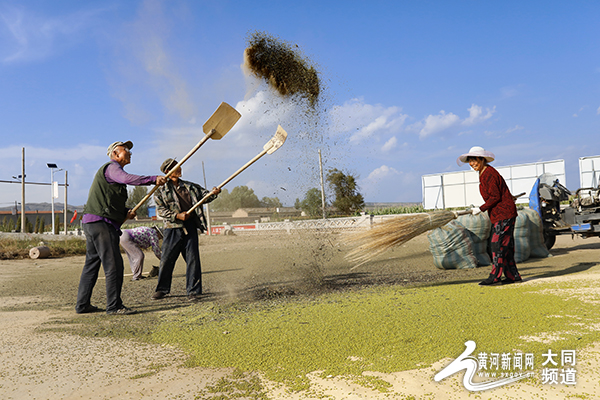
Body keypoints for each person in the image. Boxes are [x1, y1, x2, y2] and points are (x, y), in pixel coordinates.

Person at [75, 141, 166, 315]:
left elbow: (109, 201)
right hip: (101, 224)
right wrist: (153, 179)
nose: (130, 152)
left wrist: (125, 212)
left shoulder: (113, 174)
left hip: (92, 223)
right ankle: (114, 307)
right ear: (116, 154)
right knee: (114, 265)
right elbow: (127, 179)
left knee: (91, 265)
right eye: (126, 150)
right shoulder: (112, 168)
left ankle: (82, 305)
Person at [152, 158, 220, 301]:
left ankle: (193, 291)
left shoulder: (191, 187)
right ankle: (162, 289)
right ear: (167, 172)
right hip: (172, 229)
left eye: (179, 166)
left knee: (193, 259)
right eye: (175, 167)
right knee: (166, 259)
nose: (179, 168)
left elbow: (205, 196)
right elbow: (161, 211)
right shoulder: (160, 191)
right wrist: (177, 215)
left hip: (190, 227)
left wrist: (213, 193)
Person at [457, 146, 522, 286]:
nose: (472, 163)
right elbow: (501, 192)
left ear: (482, 159)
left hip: (503, 214)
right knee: (506, 245)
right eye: (470, 161)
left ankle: (495, 276)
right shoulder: (484, 173)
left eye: (474, 160)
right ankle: (513, 275)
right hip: (502, 213)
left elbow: (495, 196)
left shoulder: (489, 174)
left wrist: (480, 208)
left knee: (497, 244)